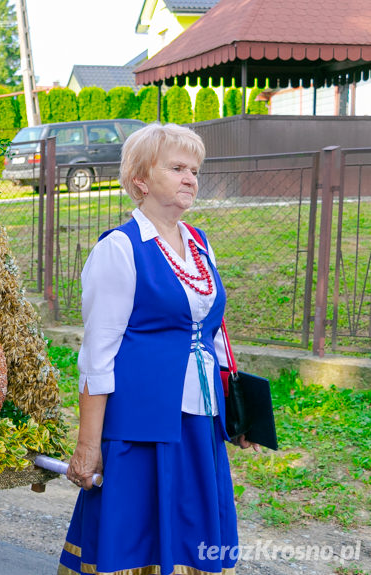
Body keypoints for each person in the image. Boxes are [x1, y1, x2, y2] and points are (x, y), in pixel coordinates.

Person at [58, 123, 257, 575]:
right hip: (141, 426)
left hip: (200, 420)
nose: (191, 178)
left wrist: (237, 411)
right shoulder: (119, 249)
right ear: (141, 180)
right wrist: (89, 447)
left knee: (192, 531)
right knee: (136, 539)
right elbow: (97, 356)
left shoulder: (200, 244)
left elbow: (212, 334)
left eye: (195, 170)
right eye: (178, 168)